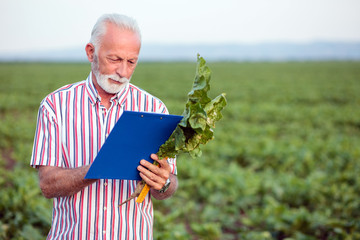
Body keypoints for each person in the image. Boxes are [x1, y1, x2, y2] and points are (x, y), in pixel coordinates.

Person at [30, 13, 178, 239]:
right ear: (91, 52)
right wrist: (102, 166)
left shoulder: (155, 109)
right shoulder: (55, 106)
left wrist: (164, 183)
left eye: (131, 62)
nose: (123, 72)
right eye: (115, 59)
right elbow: (47, 185)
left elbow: (168, 186)